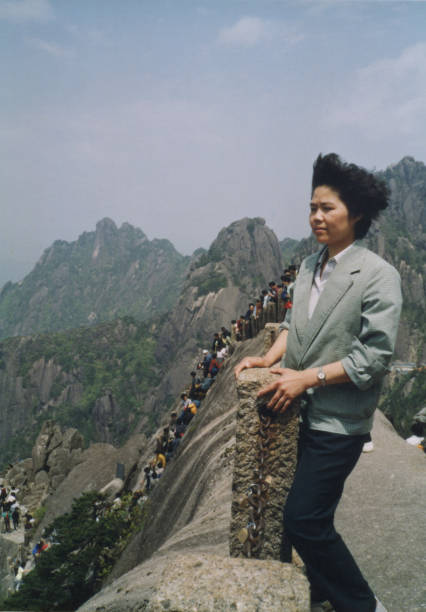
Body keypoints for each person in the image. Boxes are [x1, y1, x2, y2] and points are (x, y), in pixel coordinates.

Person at [235, 153, 402, 612]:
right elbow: (294, 323)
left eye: (327, 208)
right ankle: (319, 598)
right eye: (312, 207)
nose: (316, 217)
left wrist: (306, 379)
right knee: (304, 520)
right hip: (300, 415)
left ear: (357, 214)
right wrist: (265, 358)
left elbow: (374, 357)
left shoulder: (377, 276)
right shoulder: (310, 266)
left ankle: (364, 605)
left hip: (339, 423)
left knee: (304, 519)